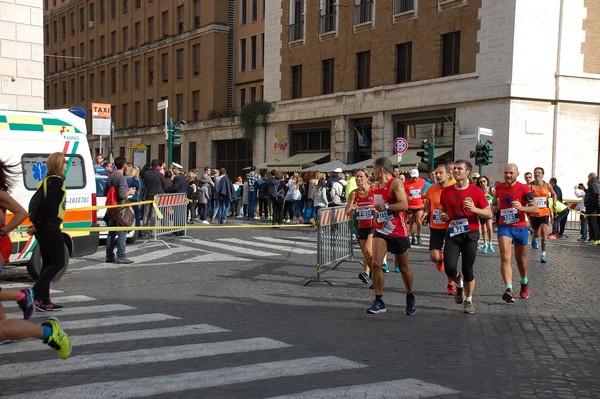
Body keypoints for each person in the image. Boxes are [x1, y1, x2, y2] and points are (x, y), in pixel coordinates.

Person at [439, 160, 492, 314]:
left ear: (467, 172)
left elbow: (488, 213)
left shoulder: (476, 191)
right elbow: (442, 207)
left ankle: (468, 300)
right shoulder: (447, 191)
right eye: (454, 168)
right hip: (453, 233)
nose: (455, 171)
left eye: (459, 169)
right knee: (449, 268)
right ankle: (459, 285)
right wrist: (443, 214)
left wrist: (474, 209)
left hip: (470, 234)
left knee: (468, 270)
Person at [367, 157, 415, 316]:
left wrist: (386, 206)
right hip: (381, 229)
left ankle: (410, 295)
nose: (372, 173)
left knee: (403, 268)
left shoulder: (396, 183)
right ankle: (379, 300)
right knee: (375, 263)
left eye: (374, 169)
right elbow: (377, 205)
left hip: (398, 231)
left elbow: (404, 205)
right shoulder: (376, 186)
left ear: (380, 170)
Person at [29, 152, 70, 311]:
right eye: (64, 163)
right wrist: (39, 223)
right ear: (59, 165)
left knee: (47, 263)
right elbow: (47, 204)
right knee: (58, 262)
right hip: (50, 226)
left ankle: (43, 300)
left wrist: (36, 224)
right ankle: (32, 294)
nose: (66, 166)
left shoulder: (45, 181)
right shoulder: (57, 182)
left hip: (43, 227)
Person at [492, 163, 538, 303]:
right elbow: (496, 203)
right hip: (504, 226)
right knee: (505, 257)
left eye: (511, 173)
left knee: (520, 259)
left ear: (517, 174)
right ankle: (509, 288)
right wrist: (494, 207)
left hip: (520, 227)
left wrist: (522, 207)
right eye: (506, 172)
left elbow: (535, 208)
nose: (508, 175)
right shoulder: (498, 188)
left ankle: (524, 282)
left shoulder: (524, 189)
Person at [422, 164, 457, 295]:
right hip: (435, 226)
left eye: (440, 173)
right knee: (434, 257)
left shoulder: (453, 189)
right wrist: (426, 212)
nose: (437, 175)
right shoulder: (431, 189)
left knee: (450, 260)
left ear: (448, 175)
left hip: (450, 226)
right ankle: (440, 259)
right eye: (436, 173)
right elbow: (429, 204)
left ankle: (450, 284)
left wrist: (449, 215)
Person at [345, 168, 374, 285]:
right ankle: (370, 274)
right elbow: (347, 211)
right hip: (361, 225)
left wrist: (375, 208)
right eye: (357, 177)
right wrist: (351, 209)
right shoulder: (354, 193)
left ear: (367, 178)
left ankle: (372, 273)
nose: (358, 179)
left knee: (368, 250)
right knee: (365, 253)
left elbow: (382, 204)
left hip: (374, 224)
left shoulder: (374, 190)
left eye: (361, 176)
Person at [105, 156, 136, 264]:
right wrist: (130, 192)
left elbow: (105, 192)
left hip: (112, 209)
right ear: (124, 166)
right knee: (122, 232)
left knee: (111, 233)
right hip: (120, 209)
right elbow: (122, 194)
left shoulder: (111, 176)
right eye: (126, 165)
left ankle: (109, 256)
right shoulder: (121, 178)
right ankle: (121, 256)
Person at [528, 167, 557, 263]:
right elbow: (525, 195)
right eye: (535, 172)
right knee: (537, 233)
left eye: (539, 173)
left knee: (544, 230)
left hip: (545, 211)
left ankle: (543, 254)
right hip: (534, 212)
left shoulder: (547, 185)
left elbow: (554, 194)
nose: (537, 174)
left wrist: (554, 204)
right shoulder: (530, 186)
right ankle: (534, 238)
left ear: (543, 174)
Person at [141, 159, 169, 238]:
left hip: (148, 195)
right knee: (153, 214)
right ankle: (153, 232)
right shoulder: (160, 175)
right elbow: (165, 185)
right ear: (158, 166)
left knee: (145, 214)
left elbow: (144, 183)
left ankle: (144, 231)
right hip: (157, 196)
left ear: (151, 165)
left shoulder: (146, 174)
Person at [405, 168, 426, 245]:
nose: (414, 179)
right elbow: (402, 193)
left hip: (419, 204)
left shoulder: (423, 181)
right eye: (413, 177)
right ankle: (413, 237)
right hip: (410, 205)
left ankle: (418, 235)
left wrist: (425, 197)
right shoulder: (406, 183)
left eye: (416, 177)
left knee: (419, 221)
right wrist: (406, 197)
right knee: (411, 223)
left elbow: (426, 190)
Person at [476, 175, 495, 253]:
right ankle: (485, 244)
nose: (482, 183)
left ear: (487, 182)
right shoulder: (478, 191)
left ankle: (490, 243)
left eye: (484, 181)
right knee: (483, 228)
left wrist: (494, 207)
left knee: (490, 227)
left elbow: (496, 200)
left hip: (489, 211)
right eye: (480, 182)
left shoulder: (492, 190)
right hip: (481, 211)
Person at [585, 173, 600, 245]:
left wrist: (590, 203)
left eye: (588, 177)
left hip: (592, 206)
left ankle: (595, 239)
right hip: (597, 205)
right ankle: (597, 239)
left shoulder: (591, 184)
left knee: (592, 222)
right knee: (597, 223)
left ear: (590, 177)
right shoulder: (598, 183)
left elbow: (594, 194)